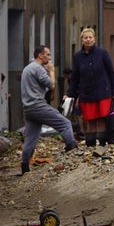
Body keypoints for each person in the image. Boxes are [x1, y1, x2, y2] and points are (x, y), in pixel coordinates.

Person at [21, 46, 77, 174]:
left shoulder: (27, 68)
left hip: (28, 108)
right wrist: (52, 71)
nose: (50, 58)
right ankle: (72, 147)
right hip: (38, 106)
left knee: (31, 137)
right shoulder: (38, 68)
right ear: (40, 56)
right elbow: (51, 84)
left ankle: (24, 166)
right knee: (65, 124)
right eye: (48, 54)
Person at [66, 28, 114, 147]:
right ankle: (90, 143)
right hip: (86, 93)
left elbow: (111, 73)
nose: (88, 40)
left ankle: (103, 144)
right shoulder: (77, 57)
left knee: (102, 119)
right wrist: (70, 93)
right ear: (82, 40)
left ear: (94, 39)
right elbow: (75, 78)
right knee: (89, 119)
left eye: (90, 37)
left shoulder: (102, 53)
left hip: (103, 92)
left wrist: (113, 91)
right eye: (85, 38)